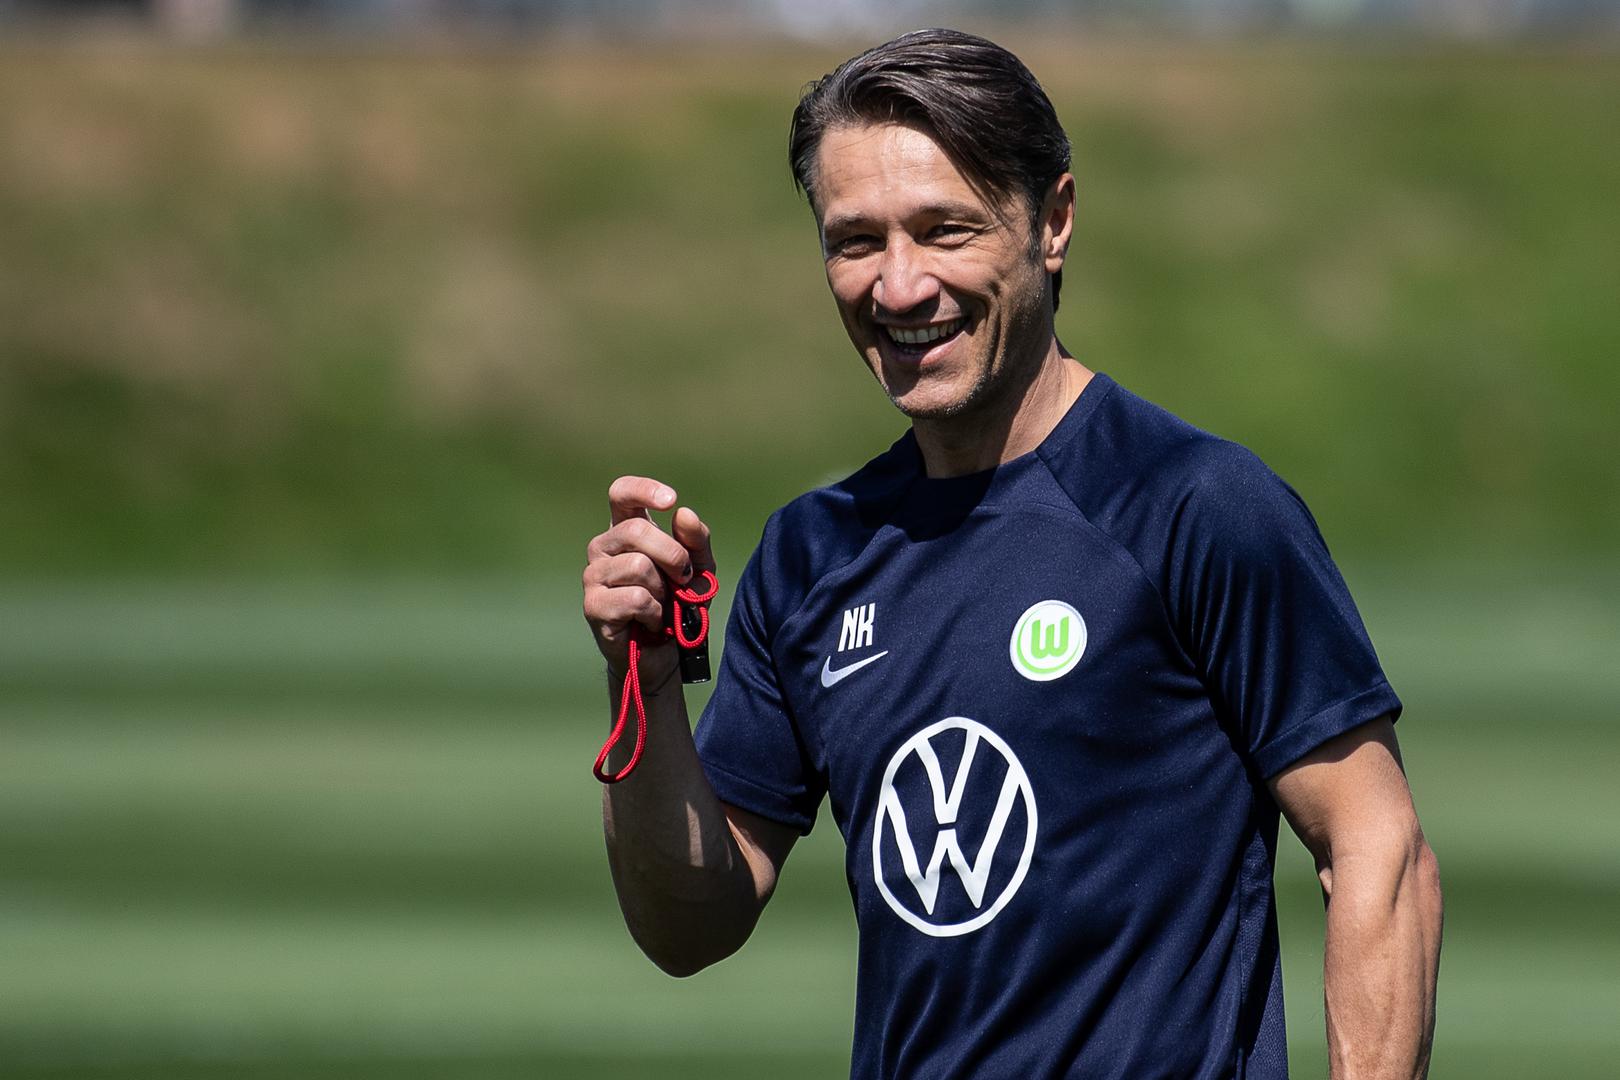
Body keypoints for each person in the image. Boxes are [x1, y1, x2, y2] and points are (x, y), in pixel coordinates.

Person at [581, 28, 1441, 1080]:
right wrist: (644, 682)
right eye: (856, 242)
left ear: (1053, 222)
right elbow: (689, 926)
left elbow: (1377, 848)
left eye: (945, 230)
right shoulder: (811, 555)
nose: (899, 287)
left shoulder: (1195, 506)